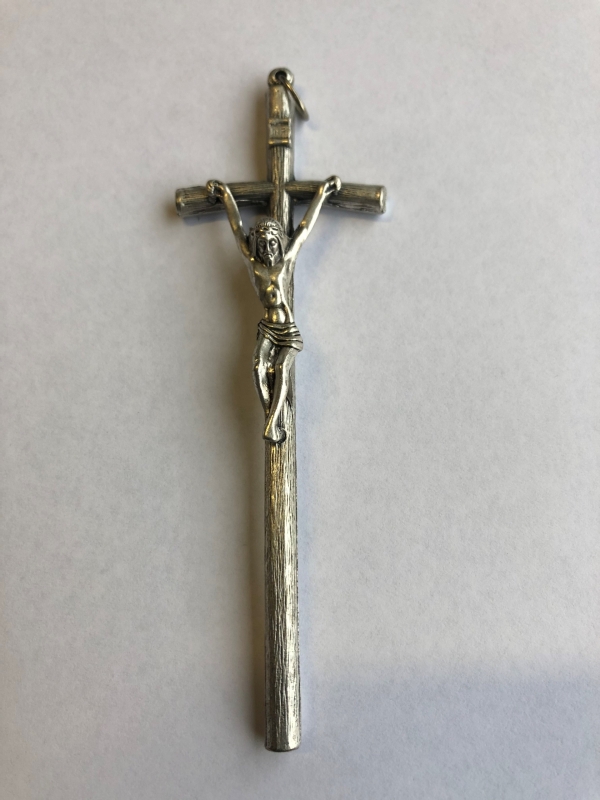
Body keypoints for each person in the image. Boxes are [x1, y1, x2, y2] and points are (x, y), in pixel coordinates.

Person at [206, 176, 341, 442]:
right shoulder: (253, 265)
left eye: (272, 244)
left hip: (287, 330)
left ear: (280, 243)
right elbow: (237, 228)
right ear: (255, 245)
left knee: (280, 368)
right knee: (258, 367)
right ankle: (273, 417)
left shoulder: (286, 262)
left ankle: (271, 422)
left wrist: (323, 193)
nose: (267, 250)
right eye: (262, 244)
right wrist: (224, 195)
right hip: (267, 328)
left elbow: (304, 228)